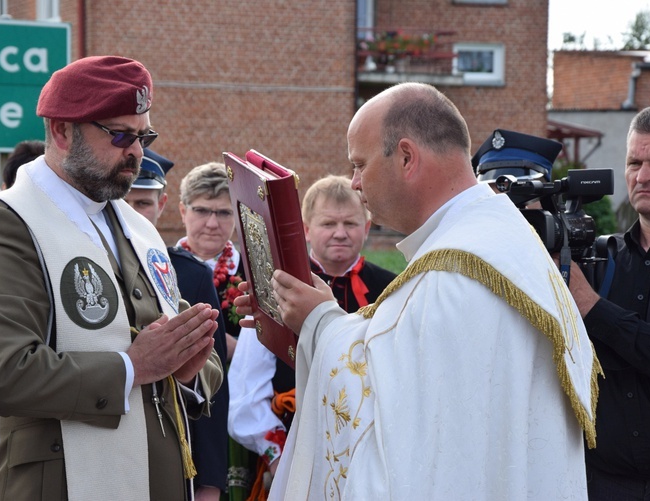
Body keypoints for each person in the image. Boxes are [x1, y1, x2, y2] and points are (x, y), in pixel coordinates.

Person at [236, 82, 600, 499]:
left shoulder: (458, 272)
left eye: (359, 164)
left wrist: (319, 321)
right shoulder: (496, 242)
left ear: (406, 157)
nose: (354, 182)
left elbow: (397, 428)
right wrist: (313, 312)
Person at [0, 55, 223, 501]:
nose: (136, 151)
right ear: (62, 130)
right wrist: (134, 366)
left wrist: (189, 371)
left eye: (143, 136)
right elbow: (2, 372)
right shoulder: (8, 221)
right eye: (119, 134)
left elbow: (182, 362)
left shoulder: (139, 228)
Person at [227, 174, 396, 496]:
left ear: (368, 226)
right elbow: (246, 392)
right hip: (293, 445)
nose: (340, 233)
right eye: (328, 223)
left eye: (351, 223)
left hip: (370, 454)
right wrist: (280, 456)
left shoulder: (391, 289)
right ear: (306, 228)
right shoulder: (280, 286)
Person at [125, 148, 230, 501]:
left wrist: (210, 480)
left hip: (170, 441)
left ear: (163, 205)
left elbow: (211, 382)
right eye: (126, 200)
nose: (131, 212)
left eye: (143, 203)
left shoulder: (184, 273)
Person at [562, 105, 650, 500]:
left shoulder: (589, 283)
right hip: (602, 484)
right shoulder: (601, 258)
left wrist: (591, 305)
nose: (643, 176)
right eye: (634, 162)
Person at [176, 162, 244, 360]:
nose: (212, 224)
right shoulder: (160, 266)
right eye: (202, 211)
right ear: (183, 212)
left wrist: (240, 349)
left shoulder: (252, 273)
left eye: (224, 213)